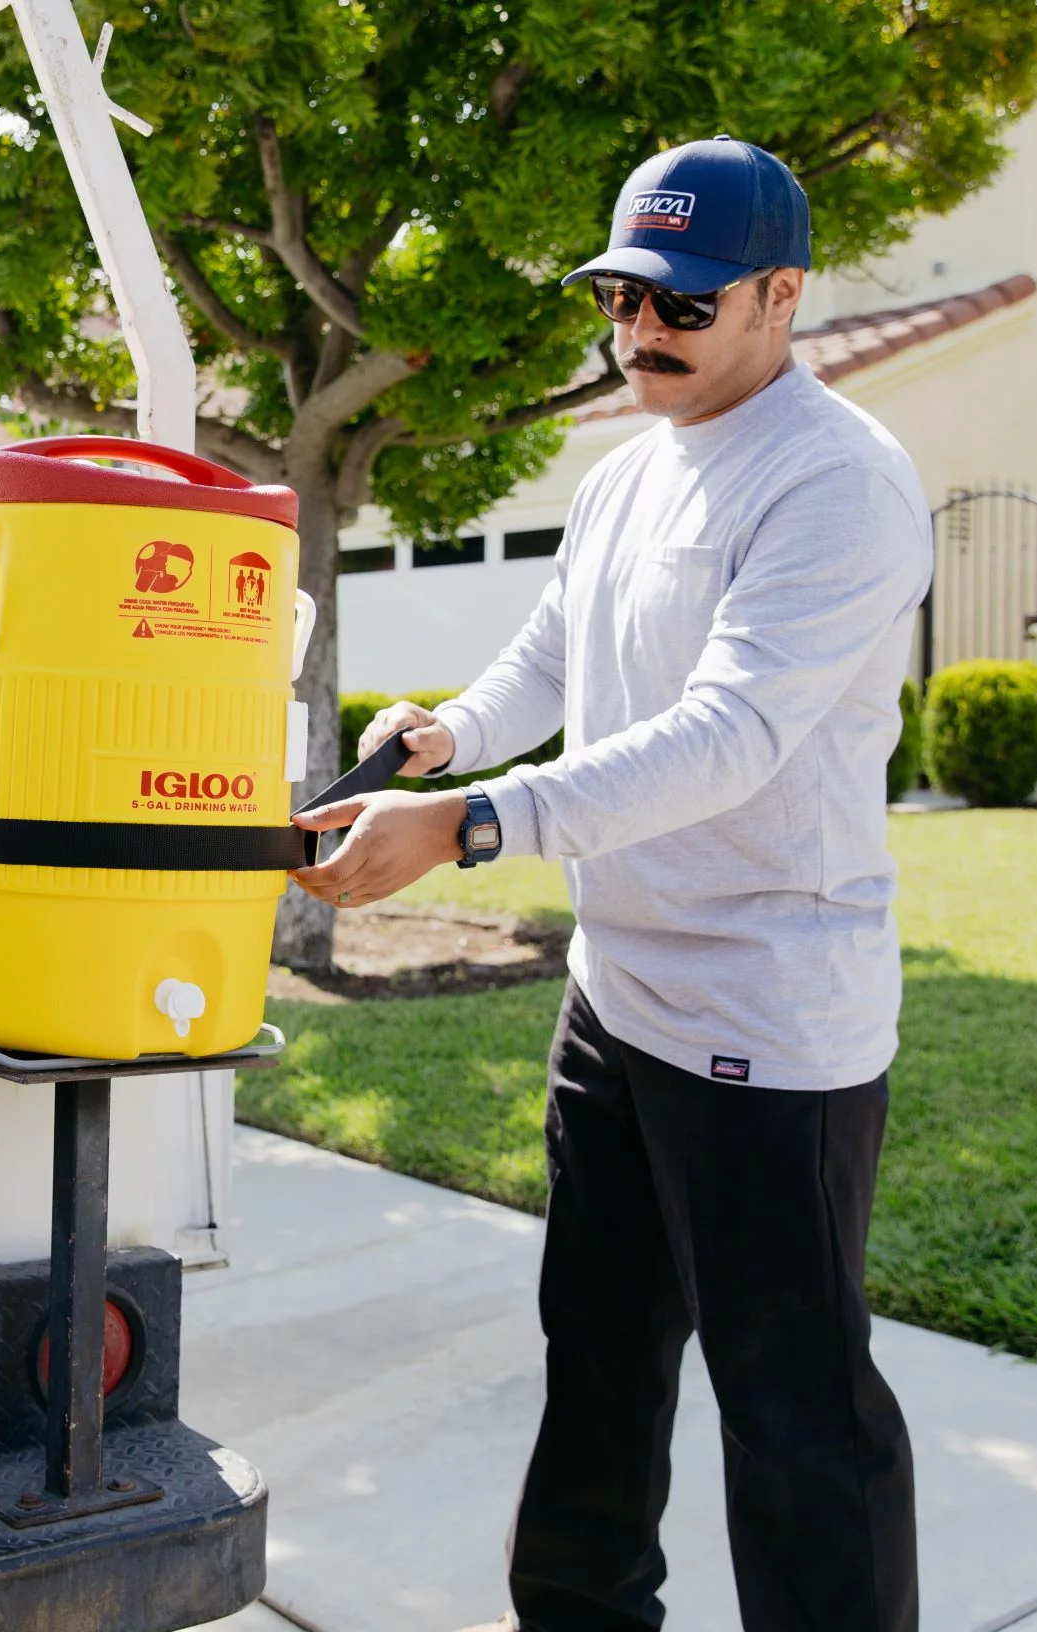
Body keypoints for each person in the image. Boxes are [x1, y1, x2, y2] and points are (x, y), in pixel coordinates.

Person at [289, 136, 930, 1632]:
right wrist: (452, 733)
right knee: (596, 1355)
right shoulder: (630, 469)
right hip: (616, 1002)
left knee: (797, 1424)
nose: (641, 333)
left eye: (683, 307)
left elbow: (732, 737)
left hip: (770, 1031)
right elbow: (554, 660)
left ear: (783, 294)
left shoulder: (841, 484)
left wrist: (468, 827)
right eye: (621, 297)